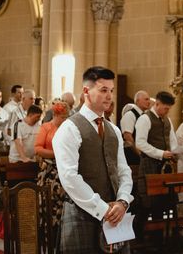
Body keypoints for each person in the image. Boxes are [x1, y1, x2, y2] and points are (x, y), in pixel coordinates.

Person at [53, 66, 133, 254]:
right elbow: (69, 177)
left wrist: (122, 201)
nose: (109, 96)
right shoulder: (69, 129)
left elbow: (123, 170)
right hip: (82, 214)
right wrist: (102, 209)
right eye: (103, 90)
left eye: (111, 91)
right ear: (87, 91)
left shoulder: (113, 130)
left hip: (115, 214)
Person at [135, 91, 178, 222]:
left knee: (163, 202)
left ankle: (159, 234)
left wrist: (175, 152)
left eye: (169, 109)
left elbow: (172, 139)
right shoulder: (145, 118)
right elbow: (140, 143)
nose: (167, 111)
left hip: (165, 166)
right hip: (149, 165)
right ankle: (142, 236)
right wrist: (160, 153)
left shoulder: (167, 120)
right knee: (149, 202)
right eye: (165, 108)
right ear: (157, 104)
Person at [34, 100, 70, 245]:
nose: (65, 120)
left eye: (67, 117)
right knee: (48, 202)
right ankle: (46, 235)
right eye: (62, 117)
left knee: (61, 204)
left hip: (63, 169)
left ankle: (60, 237)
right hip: (49, 170)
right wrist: (56, 154)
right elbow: (37, 148)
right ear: (55, 115)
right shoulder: (46, 127)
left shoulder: (68, 128)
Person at [120, 90, 150, 165]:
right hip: (133, 156)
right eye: (146, 99)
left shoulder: (144, 116)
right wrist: (139, 153)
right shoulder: (130, 115)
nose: (149, 102)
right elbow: (127, 136)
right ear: (137, 101)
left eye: (149, 99)